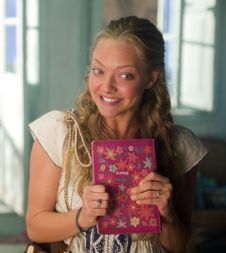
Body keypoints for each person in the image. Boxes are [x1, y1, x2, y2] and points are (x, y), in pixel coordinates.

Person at [26, 16, 207, 253]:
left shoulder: (180, 145)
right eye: (98, 71)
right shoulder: (58, 132)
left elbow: (181, 245)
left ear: (151, 79)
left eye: (125, 75)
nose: (106, 86)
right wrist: (83, 217)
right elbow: (34, 227)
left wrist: (168, 214)